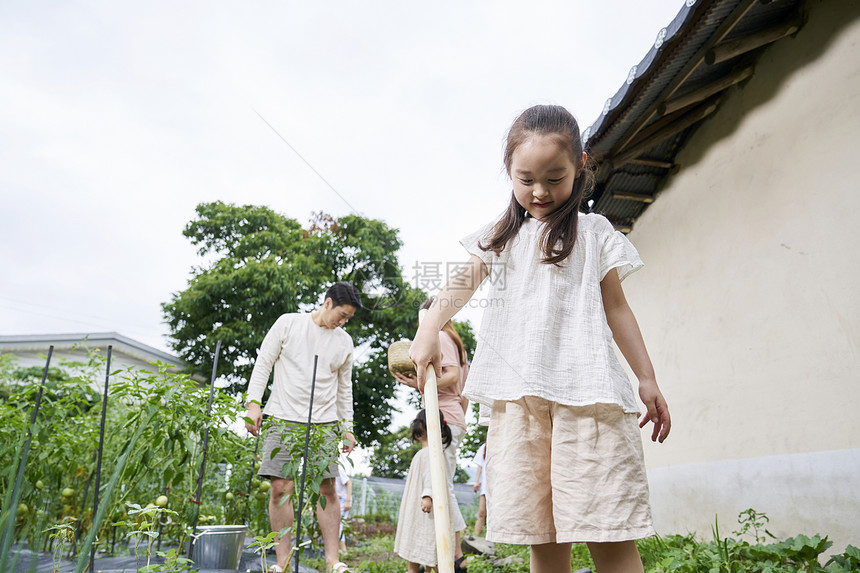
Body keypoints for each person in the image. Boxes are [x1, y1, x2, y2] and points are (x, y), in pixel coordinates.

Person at [409, 104, 671, 573]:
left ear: (581, 167)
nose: (540, 191)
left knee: (606, 529)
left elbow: (616, 308)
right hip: (521, 401)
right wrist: (429, 328)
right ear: (508, 172)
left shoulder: (593, 233)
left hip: (588, 398)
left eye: (555, 177)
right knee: (542, 539)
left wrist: (646, 378)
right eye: (526, 178)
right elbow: (460, 286)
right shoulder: (501, 238)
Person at [244, 281, 362, 573]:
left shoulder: (344, 341)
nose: (343, 321)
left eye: (348, 318)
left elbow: (344, 388)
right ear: (327, 303)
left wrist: (346, 427)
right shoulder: (289, 324)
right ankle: (282, 563)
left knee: (327, 489)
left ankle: (333, 561)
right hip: (283, 417)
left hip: (323, 423)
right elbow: (264, 363)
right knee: (280, 488)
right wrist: (253, 404)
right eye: (342, 314)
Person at [393, 299, 469, 568]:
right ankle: (449, 553)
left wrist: (423, 383)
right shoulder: (453, 340)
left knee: (440, 486)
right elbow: (462, 387)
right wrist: (419, 383)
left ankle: (455, 555)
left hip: (444, 419)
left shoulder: (439, 335)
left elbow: (451, 374)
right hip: (451, 415)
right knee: (441, 484)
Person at [394, 409, 467, 573]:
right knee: (425, 550)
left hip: (425, 509)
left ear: (423, 426)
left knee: (431, 549)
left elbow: (431, 477)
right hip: (418, 509)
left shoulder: (431, 453)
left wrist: (427, 494)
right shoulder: (427, 452)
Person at [334, 463, 352, 554]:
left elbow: (349, 483)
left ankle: (343, 549)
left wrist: (348, 501)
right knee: (334, 524)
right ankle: (337, 549)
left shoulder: (337, 469)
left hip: (343, 500)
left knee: (338, 524)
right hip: (335, 500)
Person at [471, 441, 487, 537]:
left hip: (498, 485)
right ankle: (477, 537)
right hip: (485, 485)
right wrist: (476, 481)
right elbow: (480, 466)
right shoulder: (484, 447)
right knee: (481, 512)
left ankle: (494, 541)